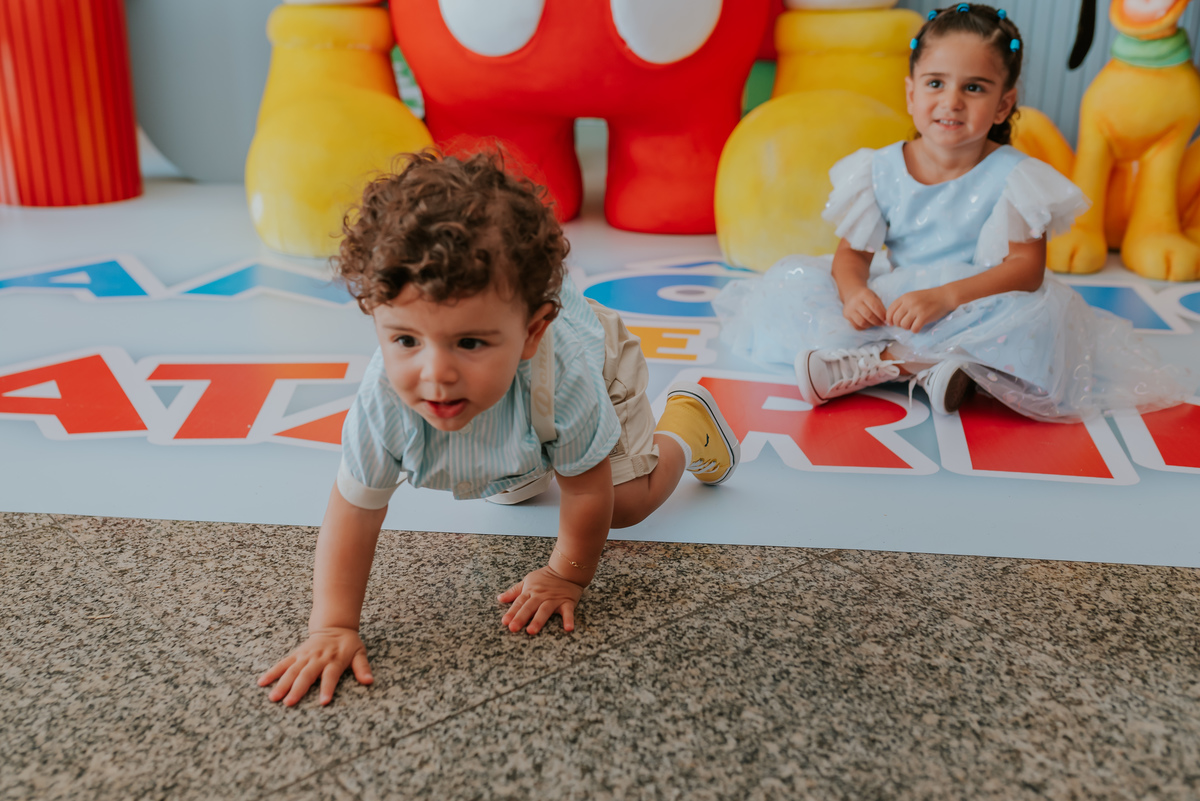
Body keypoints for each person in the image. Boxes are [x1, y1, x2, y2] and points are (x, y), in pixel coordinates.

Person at [259, 151, 741, 706]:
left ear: (532, 332)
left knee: (623, 503)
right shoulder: (383, 403)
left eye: (469, 343)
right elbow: (354, 510)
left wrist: (566, 573)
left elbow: (585, 488)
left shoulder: (561, 382)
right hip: (517, 421)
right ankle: (525, 441)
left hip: (598, 360)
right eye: (405, 340)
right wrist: (332, 627)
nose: (435, 373)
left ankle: (686, 422)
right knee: (510, 490)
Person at [715, 3, 1193, 423]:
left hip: (974, 300)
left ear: (1004, 104)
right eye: (936, 83)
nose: (951, 101)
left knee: (1036, 320)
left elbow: (1026, 272)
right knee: (793, 282)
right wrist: (855, 290)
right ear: (911, 93)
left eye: (975, 88)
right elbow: (852, 257)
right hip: (902, 301)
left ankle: (884, 366)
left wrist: (947, 297)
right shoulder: (879, 169)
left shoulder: (1016, 176)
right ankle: (933, 366)